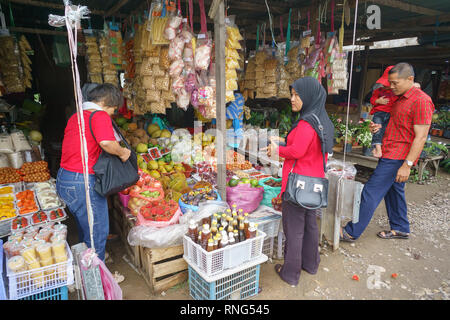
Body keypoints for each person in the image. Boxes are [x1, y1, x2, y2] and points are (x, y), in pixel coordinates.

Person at [340, 62, 434, 242]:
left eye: (395, 83)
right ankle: (400, 227)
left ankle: (351, 232)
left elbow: (421, 137)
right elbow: (398, 122)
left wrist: (407, 165)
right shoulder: (399, 97)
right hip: (390, 150)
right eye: (390, 83)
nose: (391, 87)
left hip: (398, 156)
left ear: (410, 79)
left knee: (370, 192)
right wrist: (379, 128)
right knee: (394, 191)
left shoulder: (421, 101)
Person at [267, 77, 334, 287]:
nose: (292, 99)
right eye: (292, 94)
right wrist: (285, 141)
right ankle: (311, 264)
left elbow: (297, 151)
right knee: (310, 226)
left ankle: (290, 273)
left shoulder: (306, 123)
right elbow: (312, 147)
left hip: (297, 184)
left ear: (309, 96)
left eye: (297, 95)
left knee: (293, 229)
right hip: (314, 184)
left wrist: (277, 150)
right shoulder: (322, 120)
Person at [56, 84, 131, 261]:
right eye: (114, 109)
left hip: (65, 179)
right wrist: (123, 153)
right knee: (97, 232)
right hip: (82, 182)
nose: (113, 113)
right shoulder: (99, 115)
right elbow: (106, 143)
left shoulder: (77, 116)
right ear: (108, 103)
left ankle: (86, 270)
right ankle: (98, 283)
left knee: (86, 229)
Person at [369, 65, 398, 158]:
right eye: (384, 84)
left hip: (390, 114)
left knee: (385, 131)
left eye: (387, 84)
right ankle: (377, 148)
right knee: (377, 129)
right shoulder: (378, 91)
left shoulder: (395, 93)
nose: (385, 86)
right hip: (379, 113)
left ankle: (378, 148)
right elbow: (372, 100)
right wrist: (378, 101)